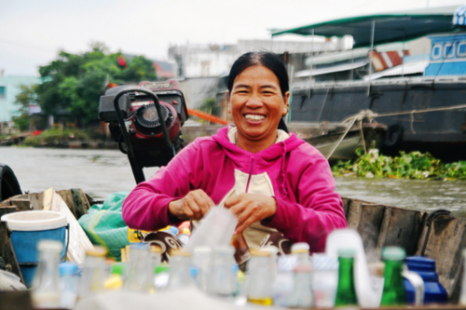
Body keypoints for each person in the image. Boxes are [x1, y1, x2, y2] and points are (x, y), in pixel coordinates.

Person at [122, 52, 347, 252]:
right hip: (205, 269)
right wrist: (176, 206)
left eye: (267, 92)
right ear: (230, 101)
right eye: (243, 91)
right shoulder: (202, 152)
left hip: (274, 281)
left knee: (279, 244)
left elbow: (336, 229)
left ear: (285, 102)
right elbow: (134, 205)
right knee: (157, 243)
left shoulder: (306, 161)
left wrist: (275, 209)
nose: (254, 102)